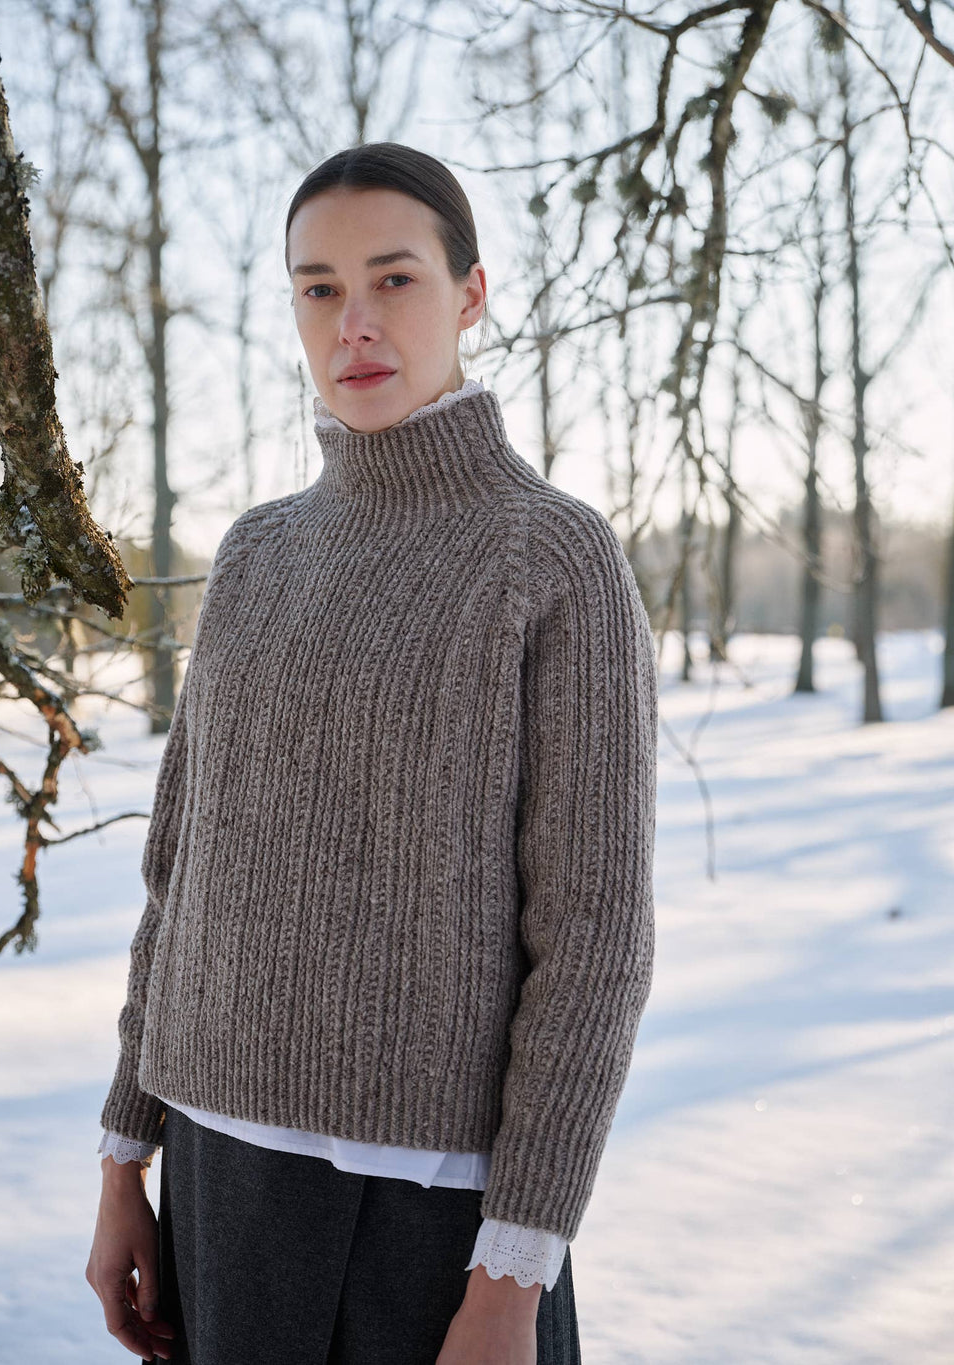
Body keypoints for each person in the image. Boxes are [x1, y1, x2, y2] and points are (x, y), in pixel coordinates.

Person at [84, 141, 659, 1365]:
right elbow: (179, 878)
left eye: (394, 279)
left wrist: (510, 1277)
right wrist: (126, 1159)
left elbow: (593, 942)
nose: (354, 322)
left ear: (470, 294)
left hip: (429, 1220)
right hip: (214, 1186)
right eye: (319, 288)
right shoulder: (255, 555)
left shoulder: (550, 558)